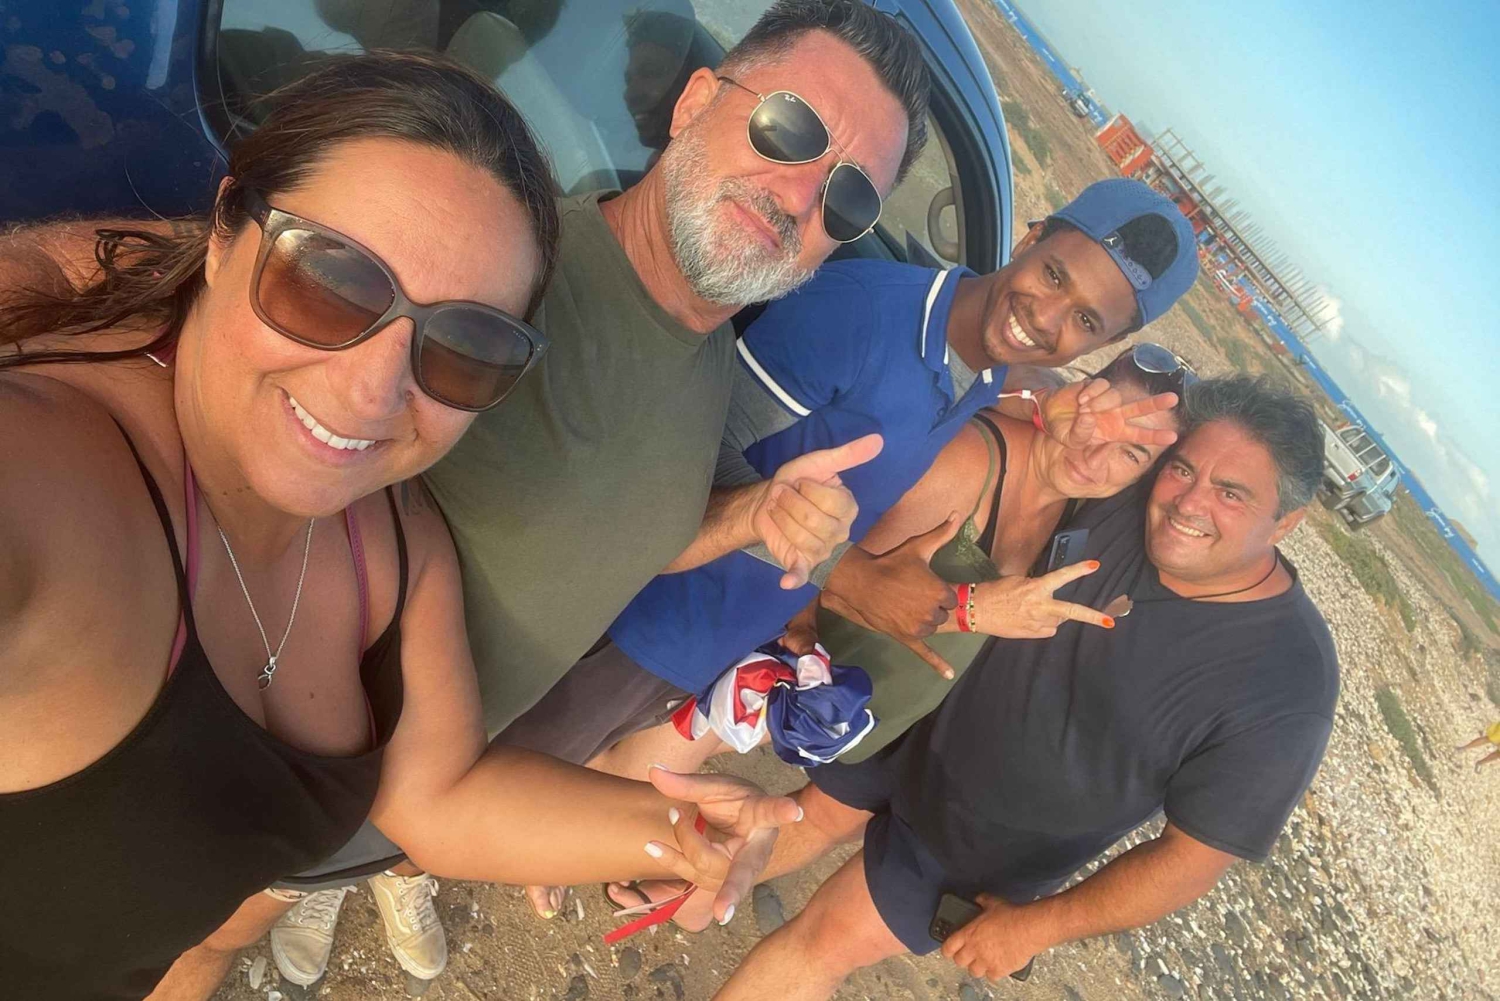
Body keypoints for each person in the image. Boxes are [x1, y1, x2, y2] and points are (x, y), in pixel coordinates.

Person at [0, 52, 798, 1001]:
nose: (376, 388)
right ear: (222, 233)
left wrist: (683, 837)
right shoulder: (50, 475)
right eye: (328, 281)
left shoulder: (395, 553)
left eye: (464, 346)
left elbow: (439, 796)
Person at [501, 176, 1197, 915]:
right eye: (1054, 274)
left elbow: (1010, 377)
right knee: (486, 772)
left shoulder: (984, 375)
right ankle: (418, 858)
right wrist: (850, 576)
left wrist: (1045, 402)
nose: (1046, 315)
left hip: (702, 641)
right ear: (1030, 238)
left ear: (1101, 345)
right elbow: (685, 451)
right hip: (636, 610)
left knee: (546, 778)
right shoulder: (861, 312)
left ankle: (505, 845)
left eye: (1085, 319)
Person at [708, 375, 1341, 1000]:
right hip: (914, 723)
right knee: (800, 819)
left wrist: (1039, 927)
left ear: (1285, 523)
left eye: (1231, 494)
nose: (1189, 503)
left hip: (984, 840)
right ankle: (675, 888)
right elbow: (1030, 401)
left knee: (822, 941)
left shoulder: (1289, 683)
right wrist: (1045, 401)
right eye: (1183, 470)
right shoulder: (1132, 488)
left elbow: (1192, 859)